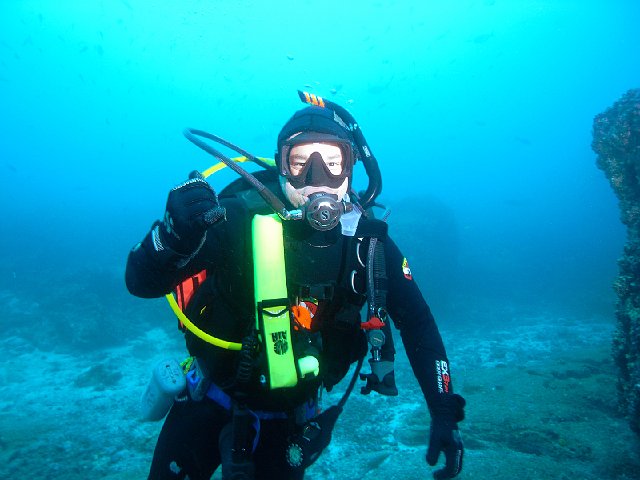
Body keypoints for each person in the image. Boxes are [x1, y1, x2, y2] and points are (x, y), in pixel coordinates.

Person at [126, 92, 465, 480]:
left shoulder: (368, 245)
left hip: (290, 425)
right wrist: (169, 238)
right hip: (206, 401)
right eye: (301, 162)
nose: (317, 178)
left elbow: (417, 321)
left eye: (333, 162)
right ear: (281, 166)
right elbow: (140, 282)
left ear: (351, 169)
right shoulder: (234, 218)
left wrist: (443, 409)